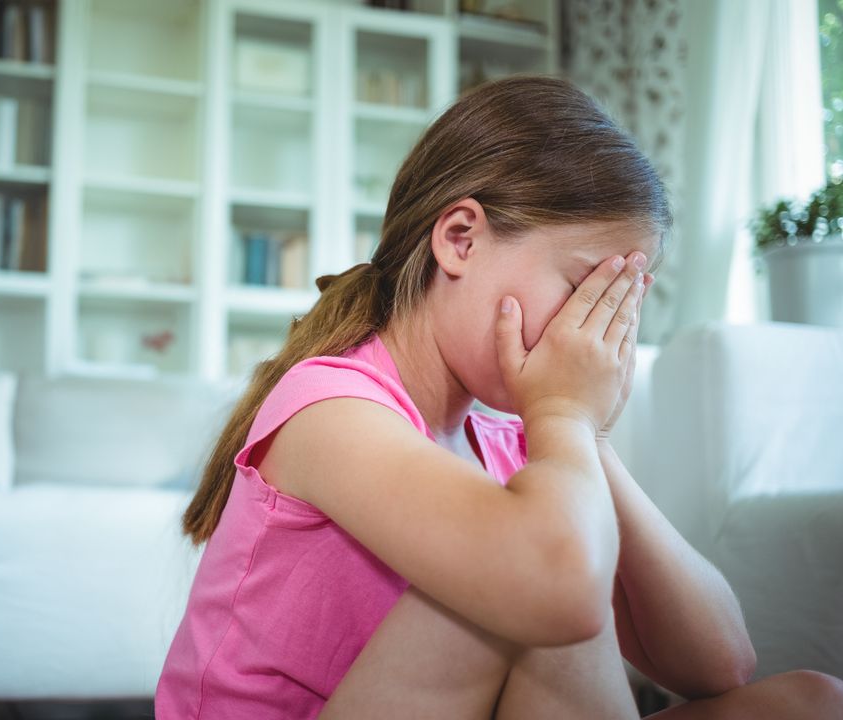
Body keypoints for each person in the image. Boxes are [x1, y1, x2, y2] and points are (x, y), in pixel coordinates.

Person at [154, 76, 843, 719]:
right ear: (460, 240)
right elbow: (558, 593)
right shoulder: (330, 408)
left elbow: (721, 661)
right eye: (583, 292)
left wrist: (589, 437)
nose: (594, 336)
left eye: (618, 308)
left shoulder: (521, 450)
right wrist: (565, 416)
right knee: (537, 589)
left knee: (811, 701)